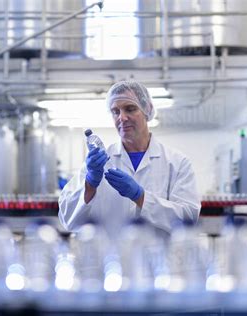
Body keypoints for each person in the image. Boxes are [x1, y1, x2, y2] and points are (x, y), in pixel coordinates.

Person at [58, 80, 201, 238]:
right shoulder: (99, 162)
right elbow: (67, 220)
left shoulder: (177, 163)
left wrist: (140, 196)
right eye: (115, 111)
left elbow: (188, 218)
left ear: (147, 110)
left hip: (159, 260)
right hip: (112, 260)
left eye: (130, 109)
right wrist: (89, 185)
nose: (122, 117)